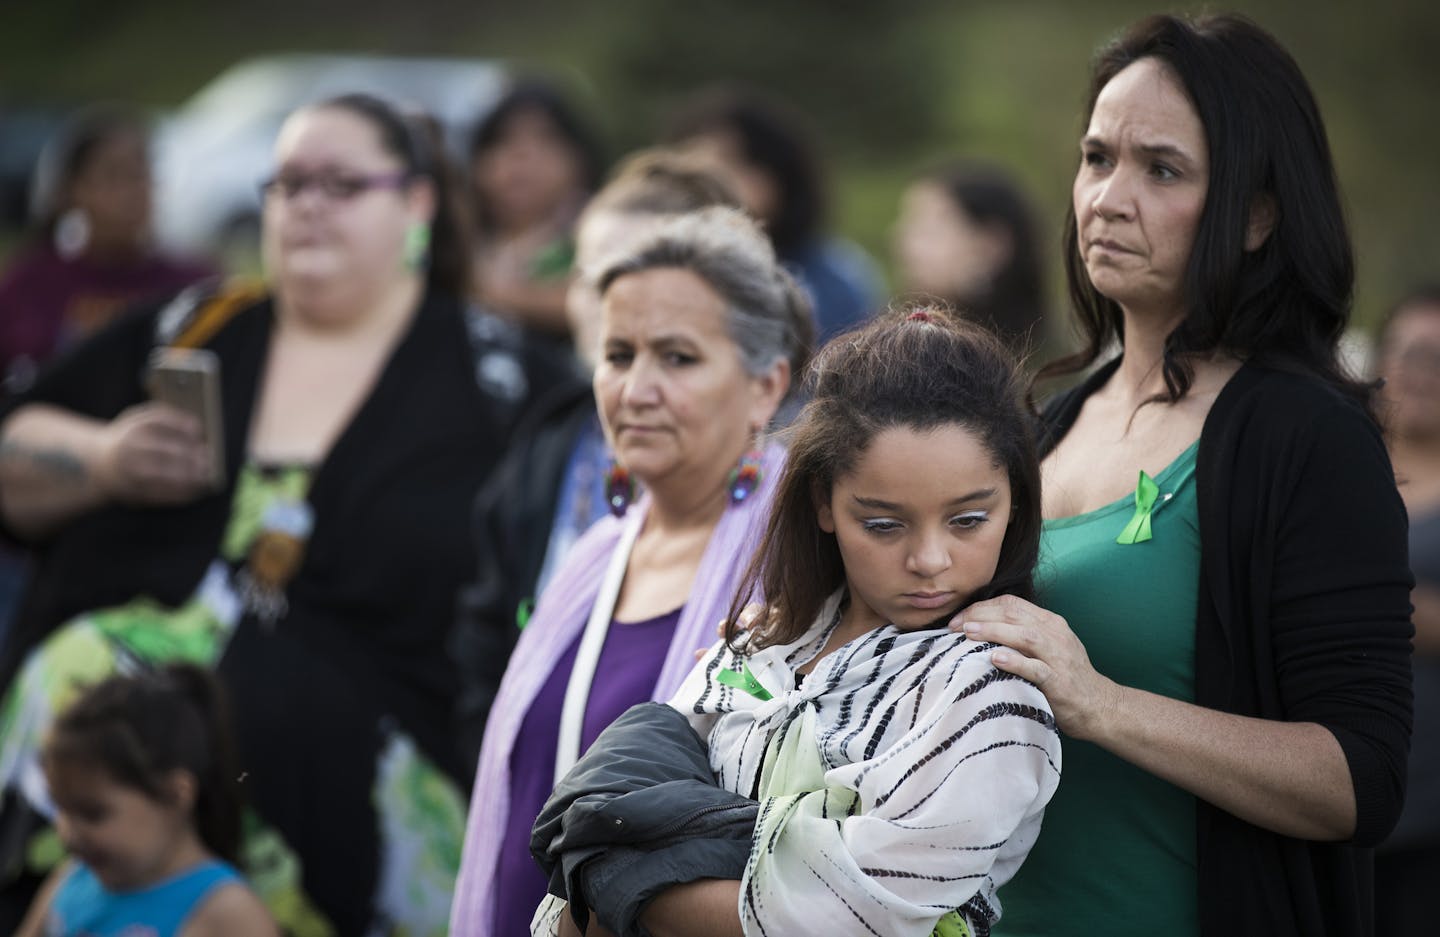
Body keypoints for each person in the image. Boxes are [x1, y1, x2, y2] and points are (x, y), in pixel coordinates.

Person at [0, 92, 549, 936]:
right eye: (287, 184)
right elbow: (16, 447)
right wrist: (106, 459)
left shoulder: (500, 379)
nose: (307, 206)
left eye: (339, 183)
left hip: (347, 849)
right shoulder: (197, 327)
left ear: (416, 203)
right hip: (86, 851)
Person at [944, 14, 1413, 937]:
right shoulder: (1052, 420)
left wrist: (1106, 705)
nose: (1107, 198)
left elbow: (1361, 779)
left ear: (1255, 214)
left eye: (1162, 169)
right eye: (1096, 157)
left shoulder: (1306, 438)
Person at [530, 306, 1062, 937]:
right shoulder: (763, 644)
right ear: (823, 503)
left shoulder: (989, 688)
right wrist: (604, 867)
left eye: (969, 520)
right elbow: (590, 844)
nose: (930, 560)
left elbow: (854, 916)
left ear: (1016, 501)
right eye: (884, 524)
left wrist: (619, 882)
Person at [449, 205, 813, 937]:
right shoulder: (592, 557)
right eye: (618, 355)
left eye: (677, 358)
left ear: (766, 385)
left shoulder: (801, 559)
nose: (635, 389)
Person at [452, 148, 745, 761]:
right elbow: (486, 628)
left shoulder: (775, 470)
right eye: (592, 277)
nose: (609, 300)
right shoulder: (548, 444)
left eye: (639, 272)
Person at [12, 664, 275, 937]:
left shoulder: (228, 914)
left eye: (92, 814)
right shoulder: (73, 878)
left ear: (175, 795)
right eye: (61, 808)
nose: (67, 833)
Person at [0, 106, 217, 397]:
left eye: (141, 173)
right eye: (114, 175)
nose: (133, 191)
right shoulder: (30, 286)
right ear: (72, 189)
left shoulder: (194, 284)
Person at [666, 86, 883, 342]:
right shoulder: (662, 270)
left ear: (776, 174)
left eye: (729, 165)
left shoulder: (832, 280)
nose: (714, 186)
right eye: (695, 173)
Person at [1374, 285, 1440, 937]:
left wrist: (1366, 601)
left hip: (1430, 812)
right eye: (1409, 353)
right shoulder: (1345, 465)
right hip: (1330, 790)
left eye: (1438, 359)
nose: (1420, 374)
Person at [468, 79, 606, 339]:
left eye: (546, 139)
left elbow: (603, 304)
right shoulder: (457, 237)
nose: (523, 155)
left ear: (580, 159)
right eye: (503, 140)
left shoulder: (602, 232)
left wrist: (485, 292)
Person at [893, 161, 1048, 357]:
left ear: (990, 246)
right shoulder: (902, 343)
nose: (904, 243)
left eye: (929, 230)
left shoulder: (1035, 364)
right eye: (908, 224)